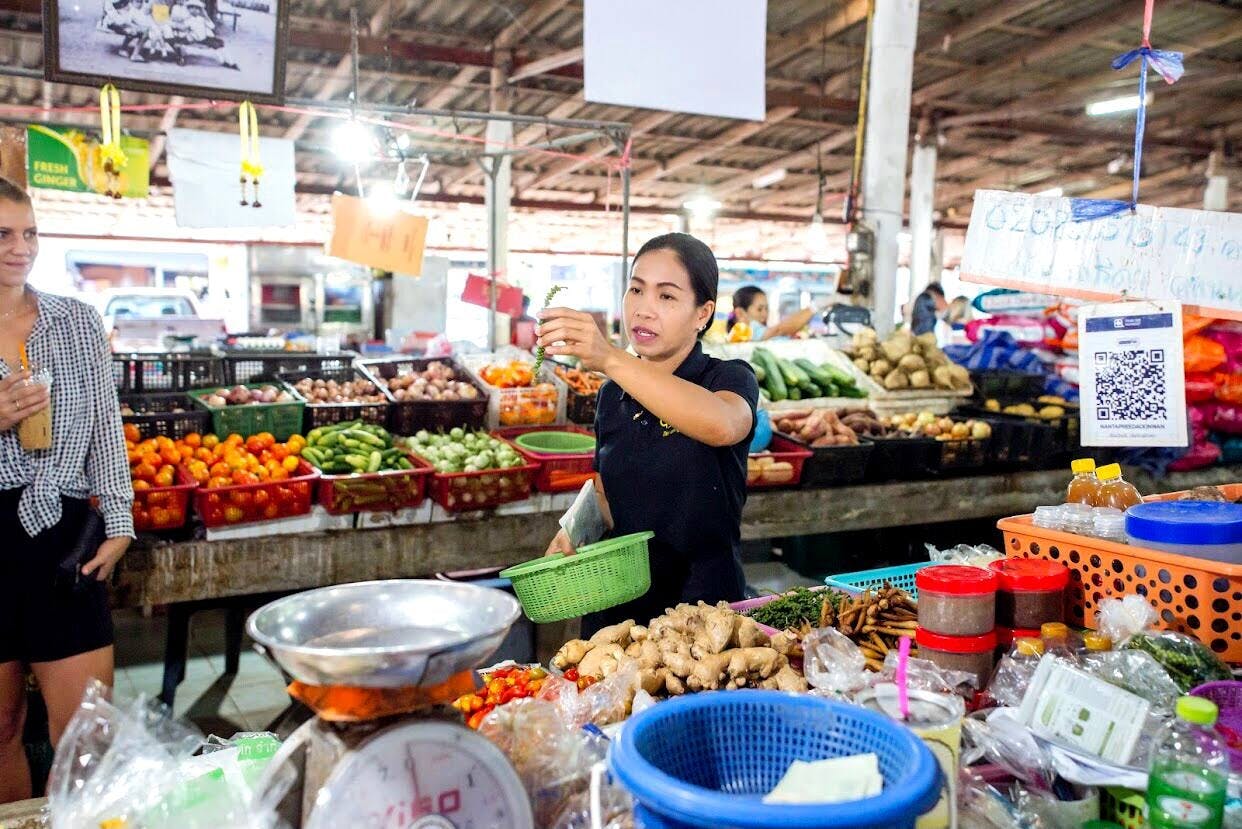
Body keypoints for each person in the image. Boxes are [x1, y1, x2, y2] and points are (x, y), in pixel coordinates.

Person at [539, 233, 758, 636]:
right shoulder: (611, 393)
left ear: (702, 314)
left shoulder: (727, 378)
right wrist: (574, 532)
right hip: (618, 614)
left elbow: (723, 424)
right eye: (636, 290)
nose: (644, 309)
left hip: (703, 617)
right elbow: (606, 493)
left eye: (667, 297)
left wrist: (609, 357)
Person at [0, 177, 133, 803]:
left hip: (62, 531)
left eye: (29, 234)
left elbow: (105, 424)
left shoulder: (76, 320)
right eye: (3, 234)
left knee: (88, 733)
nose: (19, 248)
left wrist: (121, 520)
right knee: (2, 730)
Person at [725, 285, 817, 340]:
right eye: (759, 309)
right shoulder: (745, 331)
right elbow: (779, 330)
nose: (765, 314)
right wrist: (815, 307)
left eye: (767, 309)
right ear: (740, 313)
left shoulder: (756, 331)